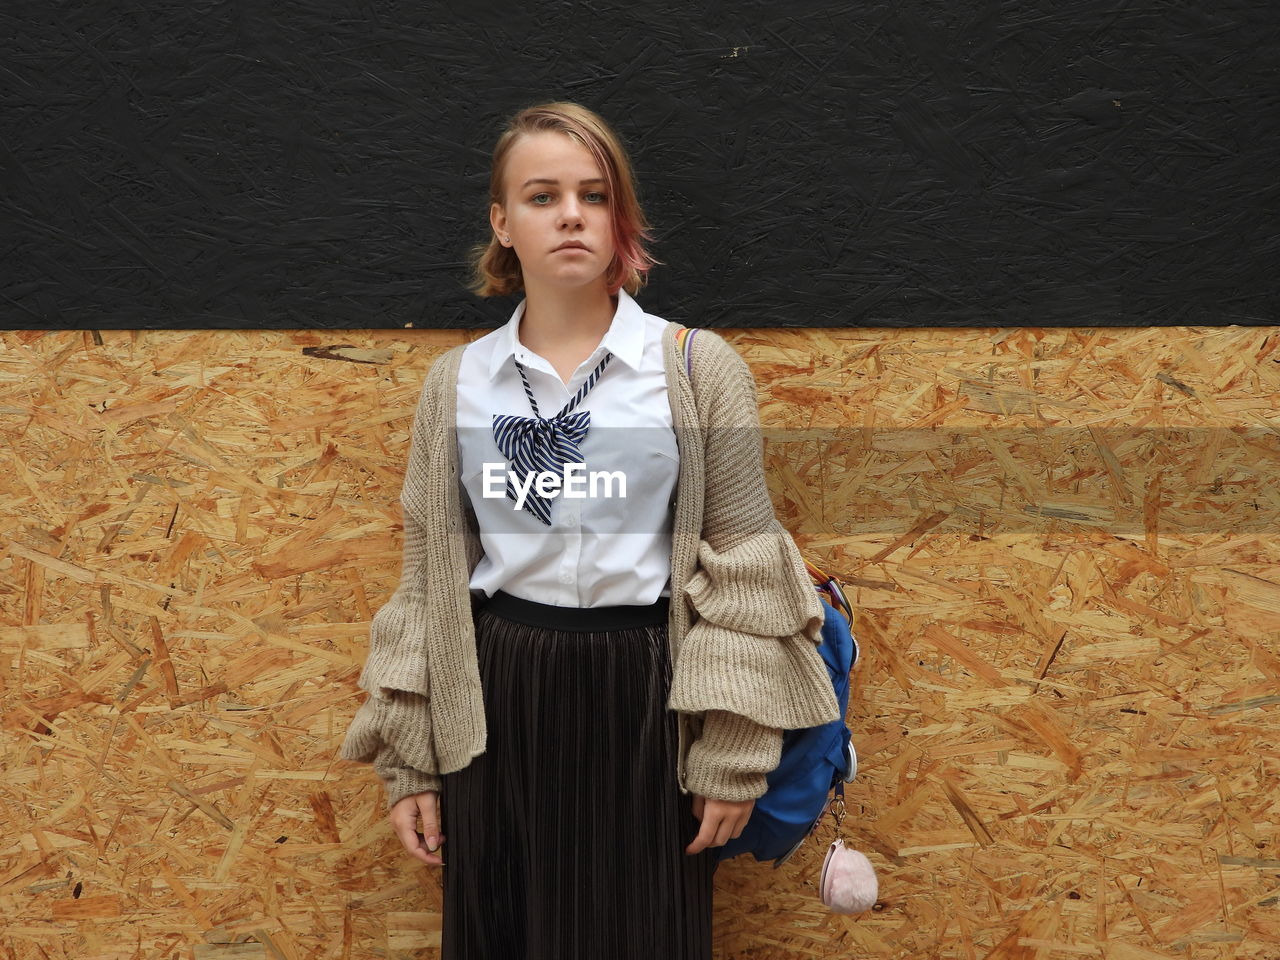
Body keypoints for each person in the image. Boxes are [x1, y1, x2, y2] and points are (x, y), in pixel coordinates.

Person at [339, 101, 839, 960]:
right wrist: (411, 761)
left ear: (620, 220)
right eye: (541, 196)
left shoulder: (694, 369)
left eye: (594, 195)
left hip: (649, 697)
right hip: (499, 698)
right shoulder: (456, 384)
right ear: (502, 223)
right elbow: (429, 579)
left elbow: (748, 569)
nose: (571, 214)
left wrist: (733, 752)